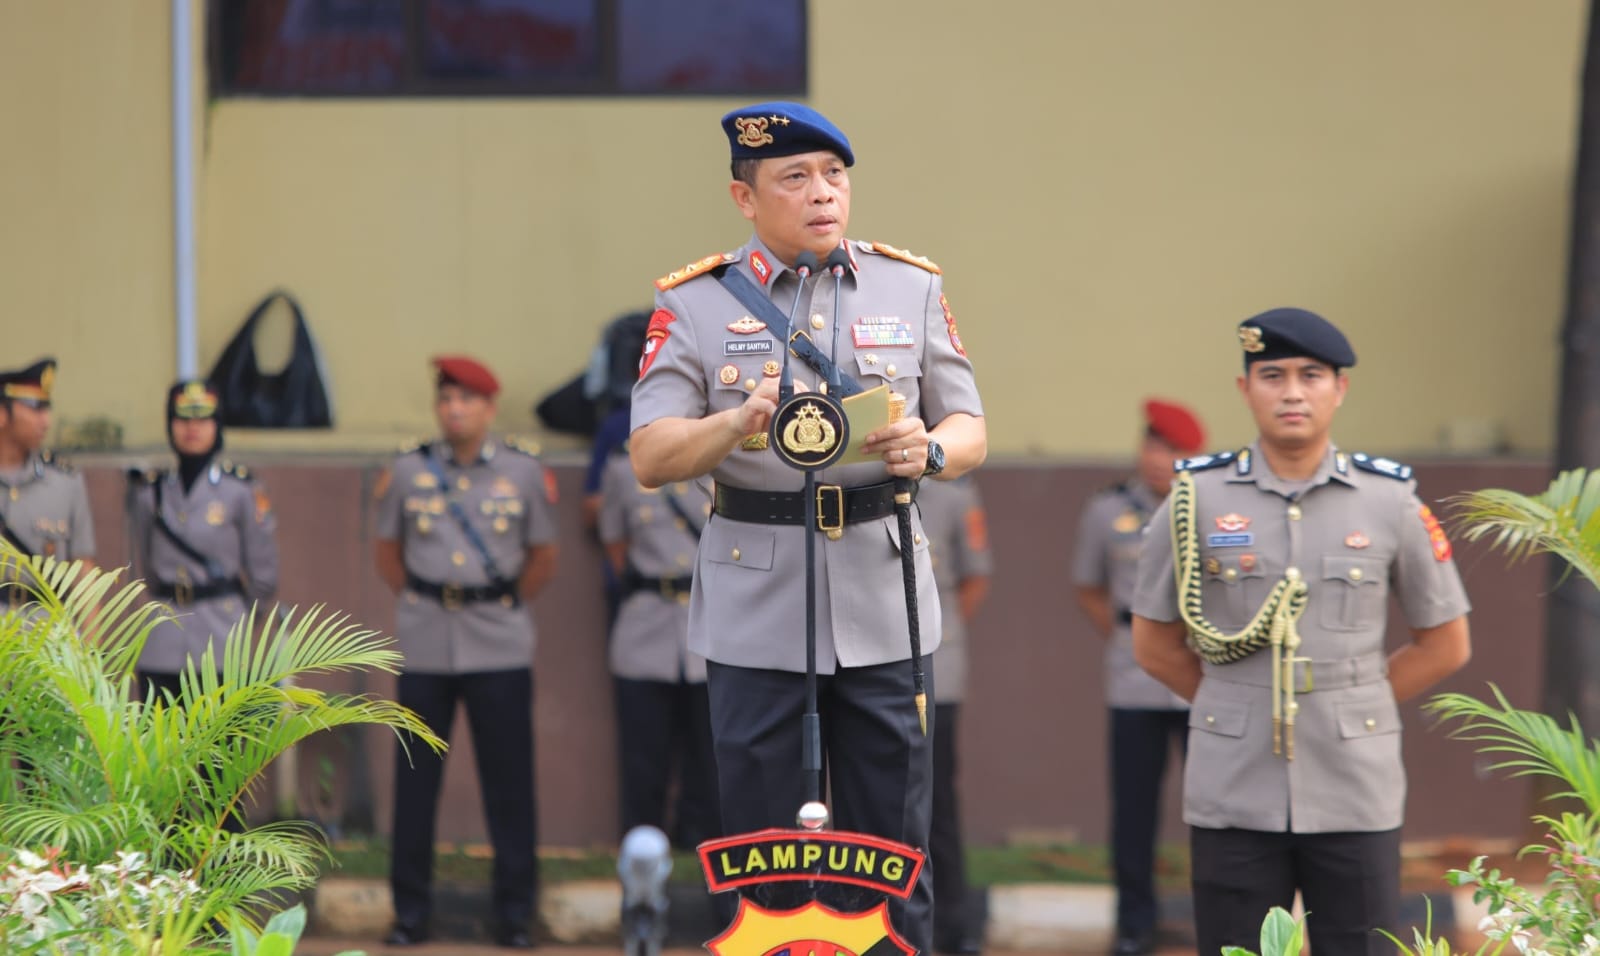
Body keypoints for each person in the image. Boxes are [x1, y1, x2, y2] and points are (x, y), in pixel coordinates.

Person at [628, 100, 986, 952]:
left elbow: (970, 427)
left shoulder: (911, 286)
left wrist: (926, 451)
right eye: (795, 178)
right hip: (758, 606)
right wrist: (733, 425)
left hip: (884, 596)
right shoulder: (697, 303)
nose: (823, 193)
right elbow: (650, 454)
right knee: (761, 853)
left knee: (894, 850)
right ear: (745, 198)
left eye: (835, 175)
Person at [1131, 308, 1473, 956]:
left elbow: (1445, 642)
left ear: (1339, 389)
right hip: (1234, 782)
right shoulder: (1194, 497)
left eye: (1311, 375)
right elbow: (1152, 644)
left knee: (1360, 946)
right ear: (1245, 389)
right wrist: (1235, 695)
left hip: (1354, 780)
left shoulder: (1389, 499)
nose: (1292, 392)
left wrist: (1352, 699)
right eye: (1273, 375)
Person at [373, 356, 560, 949]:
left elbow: (542, 559)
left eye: (467, 400)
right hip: (427, 640)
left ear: (489, 407)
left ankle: (513, 913)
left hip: (498, 642)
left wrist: (494, 601)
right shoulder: (406, 470)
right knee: (414, 784)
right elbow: (386, 554)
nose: (454, 410)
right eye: (446, 399)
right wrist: (428, 600)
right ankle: (409, 914)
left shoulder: (523, 471)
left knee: (509, 785)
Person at [1070, 398, 1205, 956]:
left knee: (1213, 808)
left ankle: (1217, 918)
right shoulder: (1108, 510)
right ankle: (1134, 924)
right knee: (1133, 809)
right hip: (1132, 677)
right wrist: (1136, 641)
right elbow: (1089, 588)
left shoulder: (1209, 506)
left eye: (1172, 450)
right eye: (1153, 446)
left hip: (1200, 677)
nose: (1159, 460)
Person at [596, 451, 720, 849]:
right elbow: (615, 545)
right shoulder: (622, 469)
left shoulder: (724, 459)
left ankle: (712, 867)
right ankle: (640, 866)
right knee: (643, 764)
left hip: (713, 631)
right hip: (645, 630)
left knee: (712, 764)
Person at [129, 380, 279, 702]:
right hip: (163, 638)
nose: (192, 428)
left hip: (222, 636)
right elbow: (145, 567)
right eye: (182, 419)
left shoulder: (241, 490)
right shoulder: (149, 491)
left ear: (217, 425)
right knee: (159, 747)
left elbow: (264, 576)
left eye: (202, 419)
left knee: (219, 750)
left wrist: (239, 624)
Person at [917, 475, 993, 956]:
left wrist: (931, 631)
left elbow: (975, 577)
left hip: (934, 663)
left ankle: (953, 921)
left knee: (937, 797)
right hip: (856, 663)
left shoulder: (954, 493)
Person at [0, 358, 96, 590]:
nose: (46, 421)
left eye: (47, 409)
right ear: (2, 413)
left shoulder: (65, 481)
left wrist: (92, 627)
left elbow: (83, 569)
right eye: (35, 408)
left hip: (46, 621)